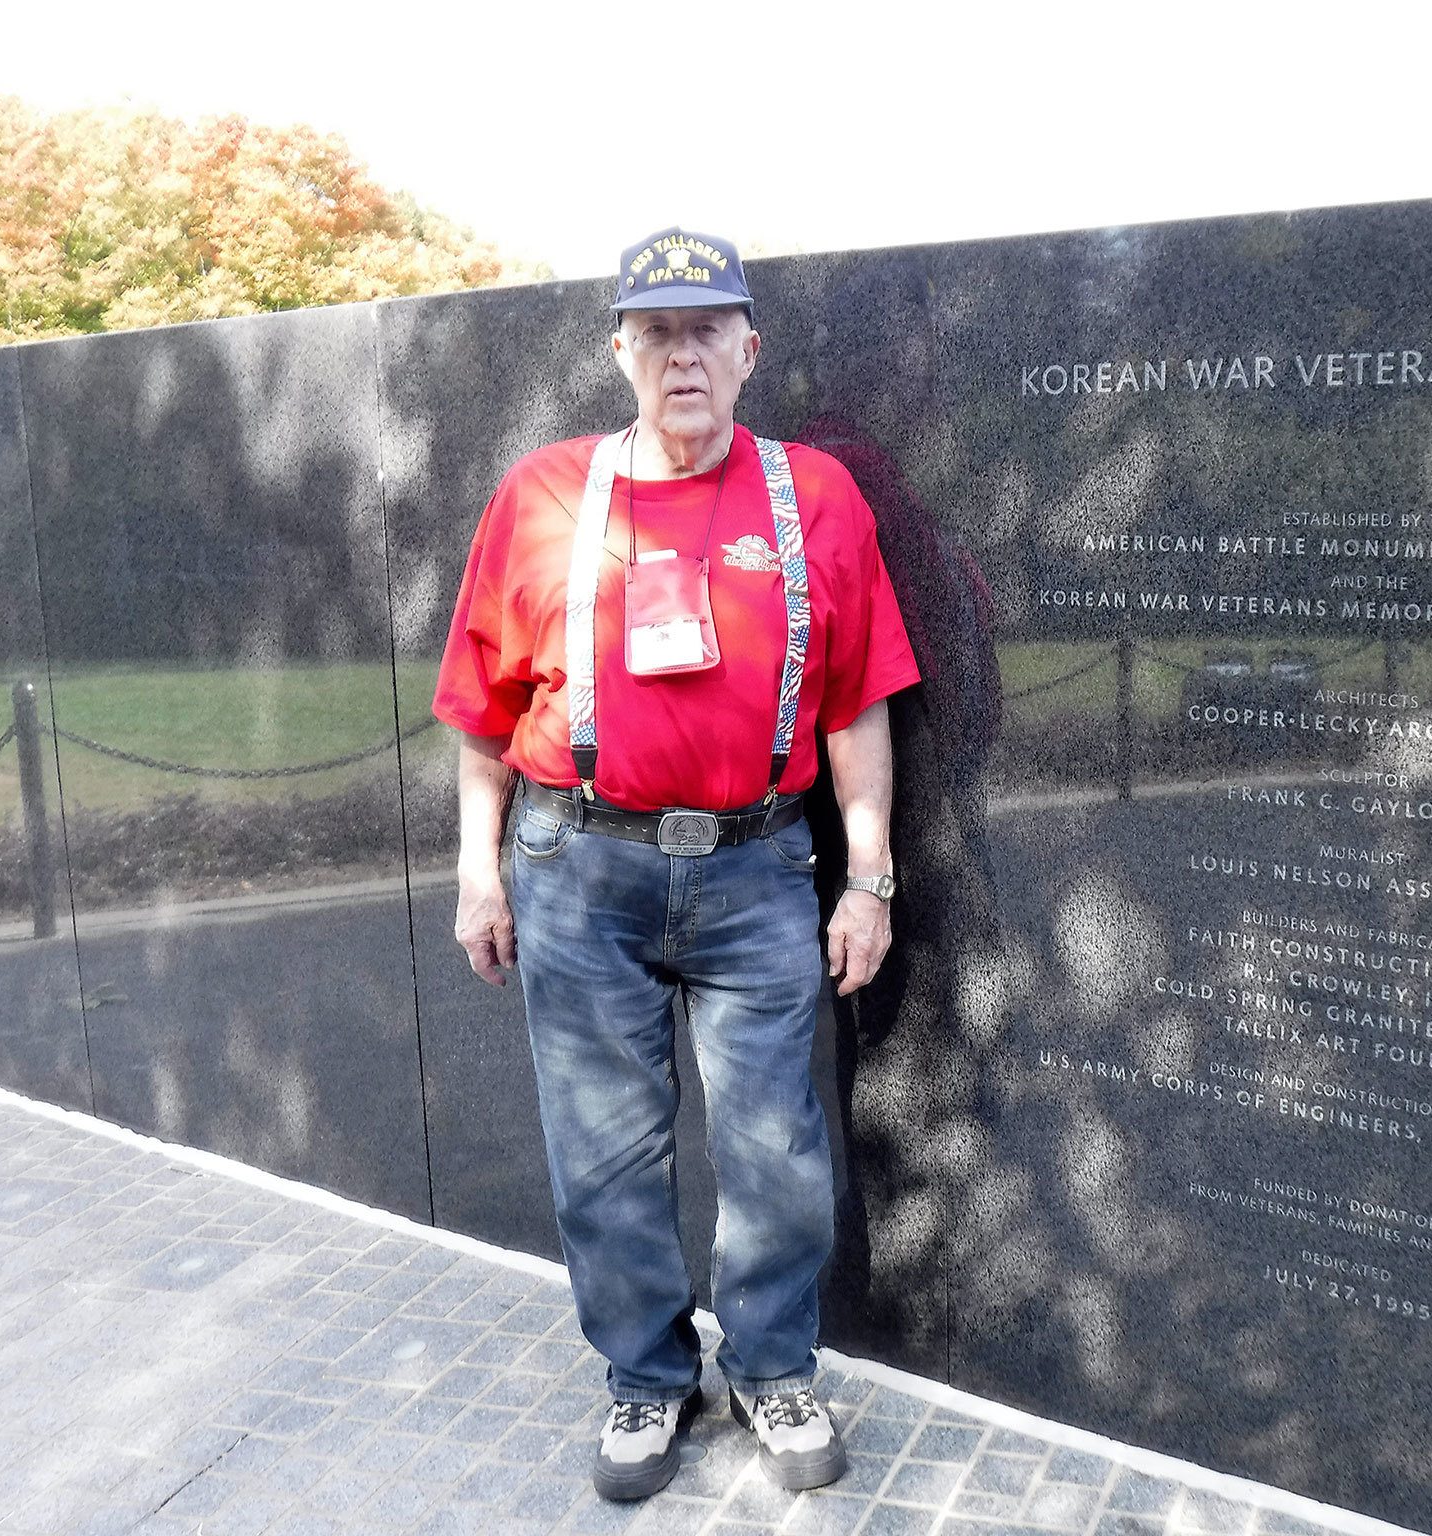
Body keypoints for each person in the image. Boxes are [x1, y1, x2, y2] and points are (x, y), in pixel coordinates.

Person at [431, 226, 920, 1502]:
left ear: (748, 351)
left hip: (759, 870)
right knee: (602, 1149)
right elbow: (483, 712)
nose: (682, 352)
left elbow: (858, 703)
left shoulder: (812, 496)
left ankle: (769, 1363)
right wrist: (479, 872)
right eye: (656, 331)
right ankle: (646, 1383)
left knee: (772, 1145)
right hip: (576, 866)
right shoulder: (540, 492)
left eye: (706, 329)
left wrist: (864, 875)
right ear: (620, 353)